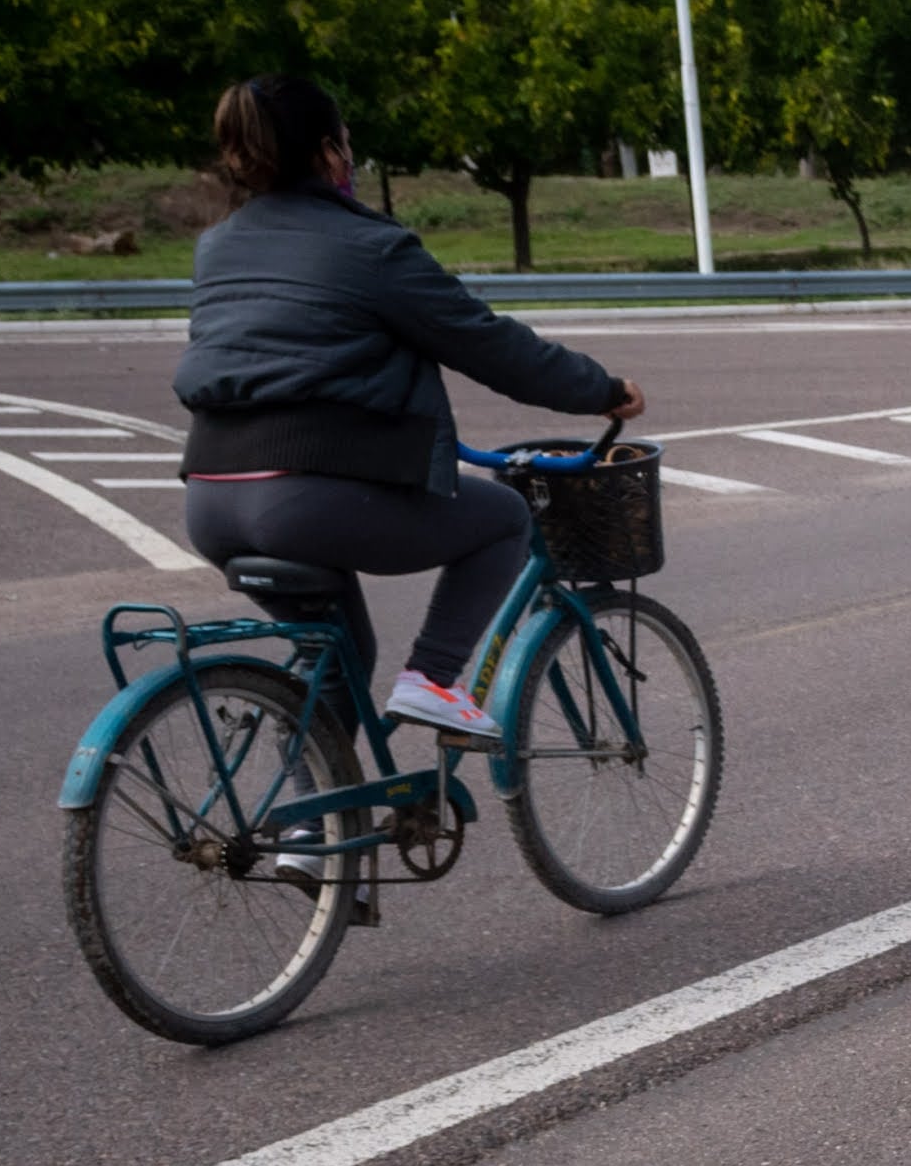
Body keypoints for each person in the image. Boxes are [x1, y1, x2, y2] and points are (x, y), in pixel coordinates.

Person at [173, 74, 643, 740]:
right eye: (348, 145)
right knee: (505, 516)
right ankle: (432, 677)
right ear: (330, 152)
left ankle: (308, 833)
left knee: (337, 657)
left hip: (212, 500)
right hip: (306, 500)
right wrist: (603, 390)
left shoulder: (216, 246)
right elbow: (489, 344)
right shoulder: (371, 248)